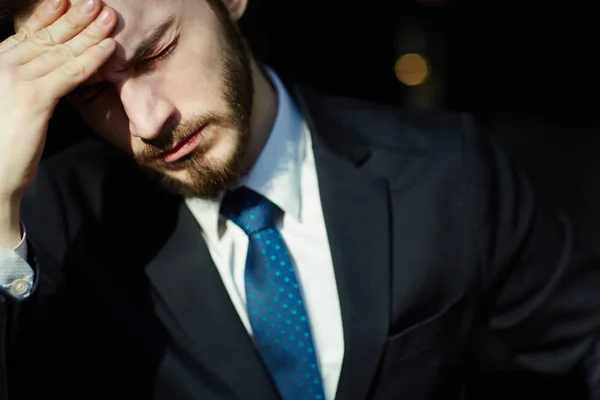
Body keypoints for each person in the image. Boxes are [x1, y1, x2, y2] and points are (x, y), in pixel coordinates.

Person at [0, 0, 599, 399]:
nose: (148, 120)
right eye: (89, 94)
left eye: (157, 53)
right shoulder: (46, 225)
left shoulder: (447, 170)